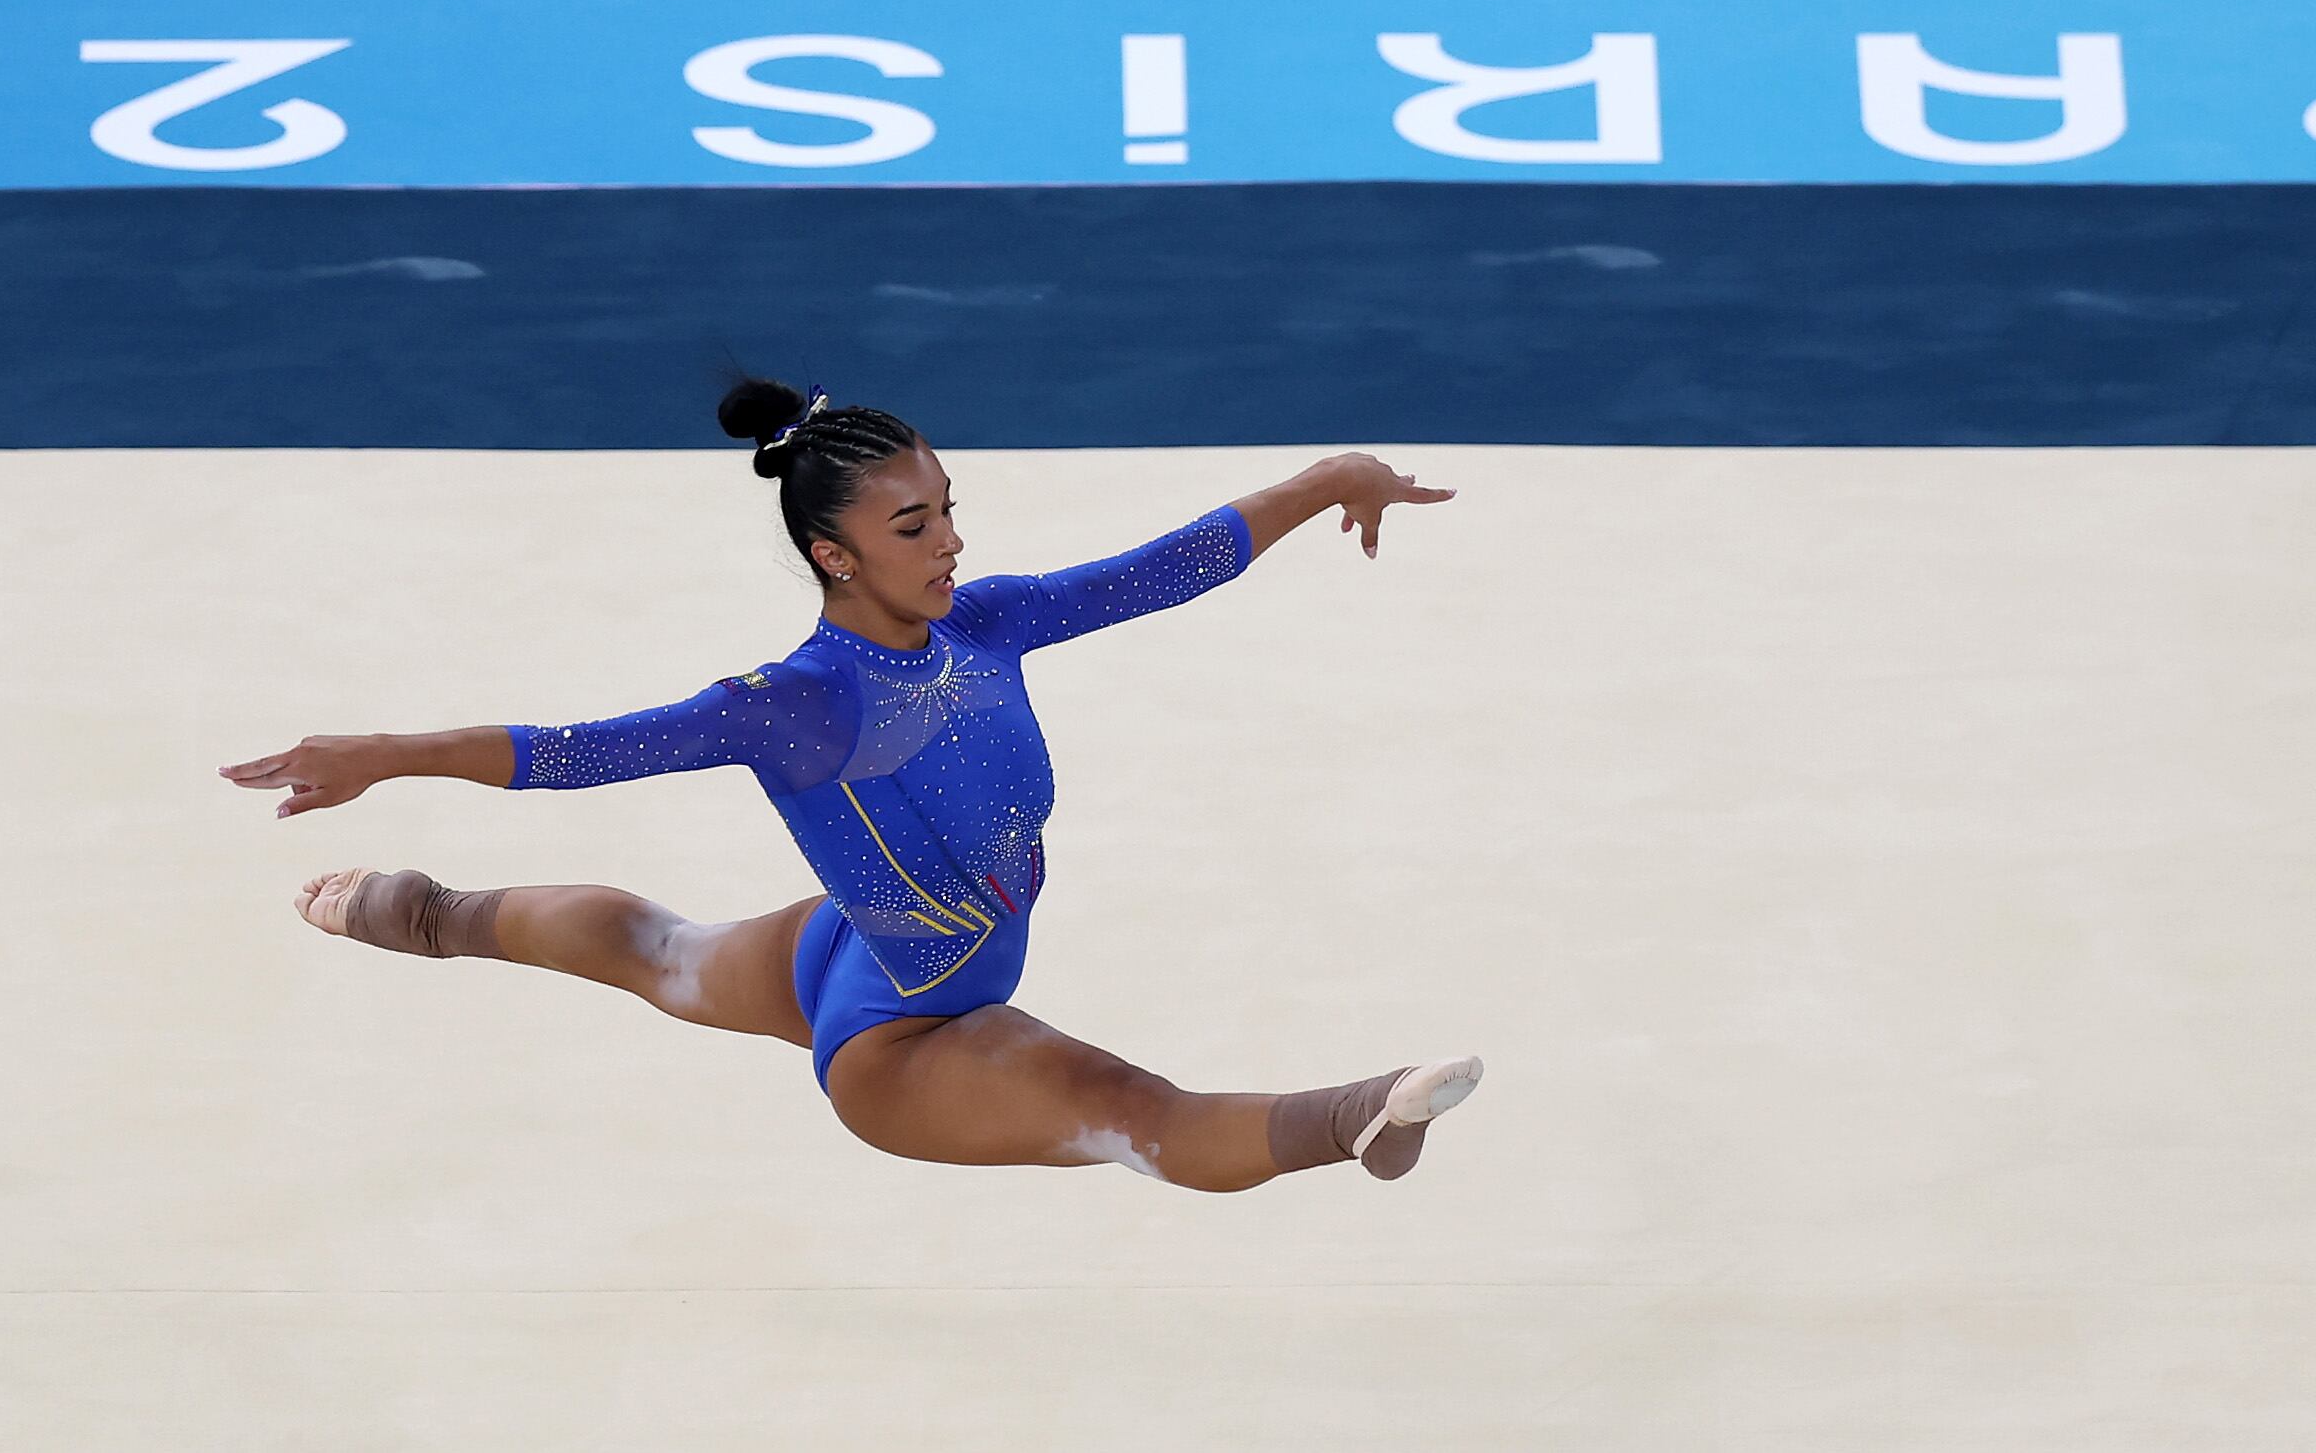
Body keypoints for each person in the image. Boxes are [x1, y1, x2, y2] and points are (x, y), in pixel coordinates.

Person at [219, 380, 1474, 1191]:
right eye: (913, 527)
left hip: (850, 953)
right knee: (1126, 1108)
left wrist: (1324, 482)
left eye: (946, 511)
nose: (952, 544)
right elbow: (575, 751)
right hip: (903, 1042)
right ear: (833, 553)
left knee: (660, 949)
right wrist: (385, 754)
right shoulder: (796, 706)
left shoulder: (985, 625)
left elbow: (1161, 570)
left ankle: (418, 914)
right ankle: (1358, 1118)